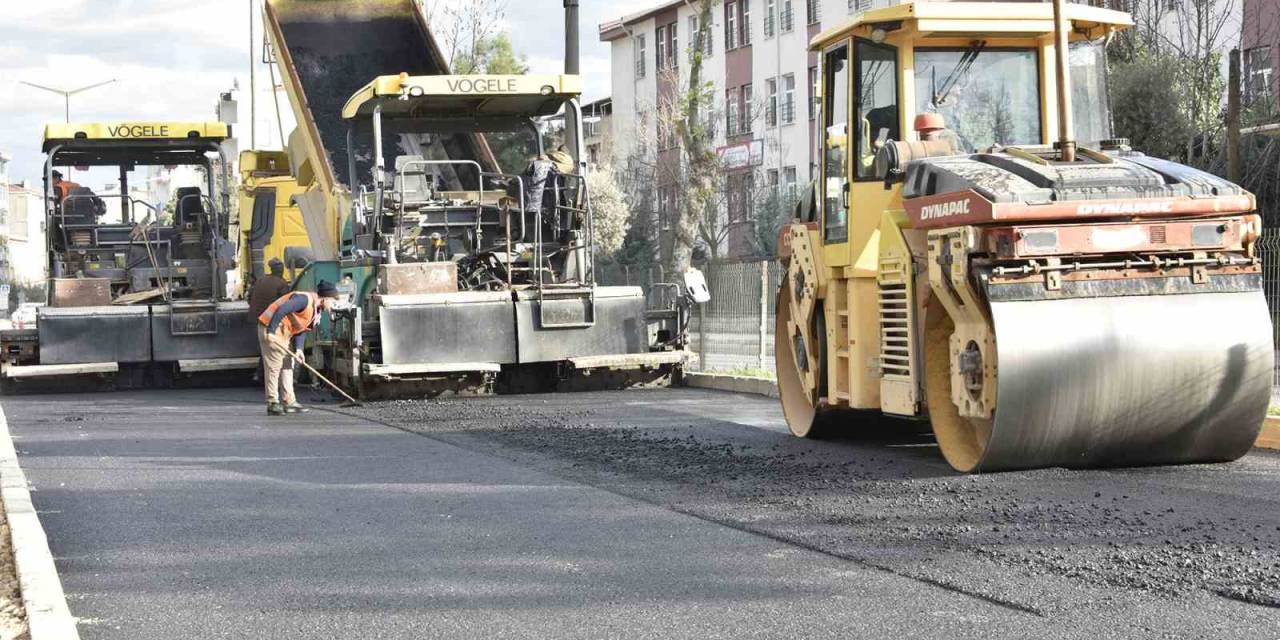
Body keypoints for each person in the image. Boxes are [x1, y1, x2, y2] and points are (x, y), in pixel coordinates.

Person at [257, 280, 340, 416]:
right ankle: (272, 403)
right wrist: (271, 332)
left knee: (287, 365)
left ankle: (289, 402)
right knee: (274, 365)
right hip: (269, 327)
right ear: (325, 298)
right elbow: (282, 309)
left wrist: (299, 350)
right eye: (333, 301)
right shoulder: (303, 300)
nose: (333, 305)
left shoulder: (315, 310)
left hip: (283, 331)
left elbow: (301, 328)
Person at [247, 259, 292, 383]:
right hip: (270, 319)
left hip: (256, 318)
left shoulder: (261, 280)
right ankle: (262, 374)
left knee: (264, 347)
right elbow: (286, 304)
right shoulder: (282, 284)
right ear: (281, 270)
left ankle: (259, 374)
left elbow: (249, 297)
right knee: (272, 349)